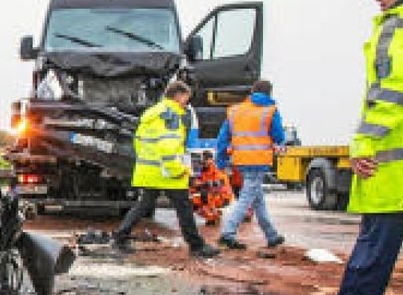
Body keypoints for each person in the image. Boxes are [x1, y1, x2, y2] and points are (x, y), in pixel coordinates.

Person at [310, 0, 403, 295]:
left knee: (370, 257)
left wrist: (363, 146)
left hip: (393, 172)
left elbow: (391, 92)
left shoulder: (397, 29)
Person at [113, 80, 221, 258]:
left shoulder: (152, 112)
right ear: (178, 96)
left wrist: (148, 161)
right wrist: (179, 169)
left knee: (144, 205)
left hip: (149, 170)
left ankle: (120, 237)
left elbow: (138, 141)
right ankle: (197, 246)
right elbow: (168, 146)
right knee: (183, 207)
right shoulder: (171, 116)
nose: (187, 103)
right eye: (186, 99)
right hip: (168, 172)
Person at [215, 79, 287, 250]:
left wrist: (221, 160)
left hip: (240, 160)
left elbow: (222, 138)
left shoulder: (235, 110)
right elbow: (278, 136)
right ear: (269, 93)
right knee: (246, 198)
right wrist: (280, 145)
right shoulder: (270, 110)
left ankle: (271, 235)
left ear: (252, 92)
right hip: (259, 160)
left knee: (257, 199)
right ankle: (228, 233)